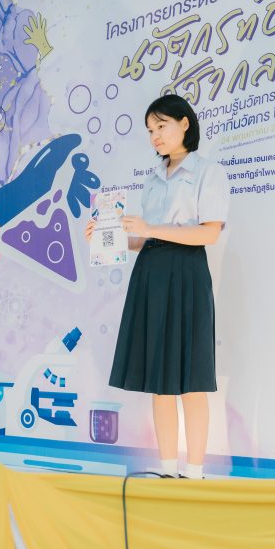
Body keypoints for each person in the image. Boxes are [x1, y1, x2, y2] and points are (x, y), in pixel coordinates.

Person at [87, 94, 229, 479]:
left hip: (186, 272)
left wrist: (149, 228)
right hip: (150, 271)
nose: (155, 136)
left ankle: (194, 473)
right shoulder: (152, 179)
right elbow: (143, 239)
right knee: (160, 382)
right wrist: (107, 236)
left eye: (161, 126)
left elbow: (209, 233)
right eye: (150, 130)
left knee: (192, 379)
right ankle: (168, 471)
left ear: (185, 123)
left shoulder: (208, 171)